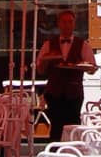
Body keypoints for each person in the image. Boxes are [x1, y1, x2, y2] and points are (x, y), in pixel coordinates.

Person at [36, 9, 97, 142]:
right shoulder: (48, 45)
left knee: (73, 125)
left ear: (74, 24)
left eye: (70, 22)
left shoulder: (83, 45)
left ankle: (73, 155)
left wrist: (83, 66)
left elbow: (92, 68)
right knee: (56, 127)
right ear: (59, 24)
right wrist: (47, 60)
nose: (67, 25)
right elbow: (40, 69)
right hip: (54, 92)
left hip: (74, 92)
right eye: (64, 22)